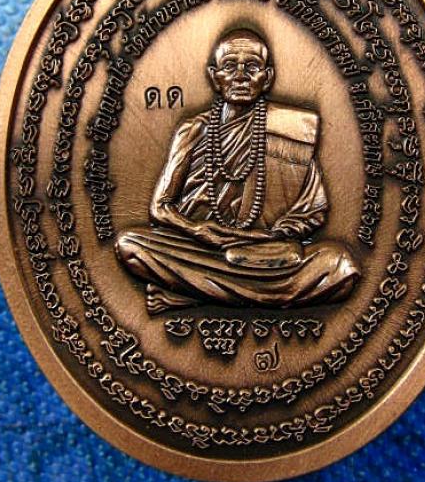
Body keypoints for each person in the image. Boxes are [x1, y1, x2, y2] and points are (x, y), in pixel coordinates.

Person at [115, 28, 360, 314]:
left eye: (252, 67)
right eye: (230, 66)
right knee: (130, 245)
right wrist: (198, 230)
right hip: (201, 248)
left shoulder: (291, 131)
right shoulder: (193, 130)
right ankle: (256, 295)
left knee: (340, 266)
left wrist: (274, 236)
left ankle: (191, 294)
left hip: (265, 253)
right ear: (214, 77)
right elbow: (160, 208)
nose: (241, 76)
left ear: (267, 78)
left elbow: (313, 211)